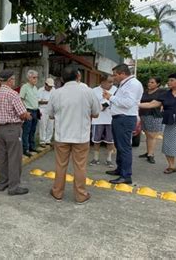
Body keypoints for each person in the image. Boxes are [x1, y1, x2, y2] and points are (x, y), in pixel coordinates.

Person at [47, 65, 100, 204]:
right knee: (80, 166)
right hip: (81, 136)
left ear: (62, 79)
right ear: (78, 76)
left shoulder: (56, 93)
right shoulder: (88, 91)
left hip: (62, 136)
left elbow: (51, 115)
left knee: (60, 165)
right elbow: (96, 113)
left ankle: (57, 193)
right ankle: (81, 195)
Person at [0, 70, 32, 195]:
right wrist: (27, 115)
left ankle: (2, 183)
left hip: (0, 129)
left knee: (2, 158)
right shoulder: (13, 94)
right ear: (9, 80)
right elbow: (22, 113)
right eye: (13, 79)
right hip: (12, 128)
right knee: (14, 158)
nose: (14, 82)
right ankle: (14, 187)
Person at [102, 64, 143, 184]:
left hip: (124, 118)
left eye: (115, 75)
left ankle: (126, 175)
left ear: (122, 73)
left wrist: (111, 97)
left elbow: (128, 103)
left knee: (124, 148)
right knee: (120, 146)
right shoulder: (125, 84)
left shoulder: (133, 84)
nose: (114, 78)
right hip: (119, 118)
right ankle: (120, 169)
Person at [90, 74, 117, 168]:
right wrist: (101, 106)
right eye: (109, 82)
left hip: (111, 119)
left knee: (110, 140)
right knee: (96, 140)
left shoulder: (115, 90)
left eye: (112, 82)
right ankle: (95, 158)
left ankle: (109, 159)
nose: (111, 84)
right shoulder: (94, 91)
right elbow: (91, 104)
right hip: (98, 119)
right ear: (102, 82)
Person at [138, 77, 166, 164]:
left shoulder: (161, 92)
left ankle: (151, 154)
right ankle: (148, 152)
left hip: (155, 115)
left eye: (152, 82)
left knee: (152, 136)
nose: (149, 84)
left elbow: (164, 101)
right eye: (149, 82)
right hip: (144, 114)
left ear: (157, 84)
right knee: (147, 134)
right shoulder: (145, 92)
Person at [20, 70, 40, 157]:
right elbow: (20, 99)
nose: (36, 79)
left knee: (33, 130)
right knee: (26, 130)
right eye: (34, 77)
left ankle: (32, 146)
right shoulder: (25, 87)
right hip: (28, 110)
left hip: (35, 110)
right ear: (29, 78)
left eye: (36, 77)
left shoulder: (35, 88)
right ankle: (25, 149)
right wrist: (24, 111)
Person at [37, 78, 55, 147]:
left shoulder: (53, 90)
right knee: (43, 125)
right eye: (49, 86)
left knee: (50, 125)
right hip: (43, 109)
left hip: (51, 109)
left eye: (51, 86)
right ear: (45, 85)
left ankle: (48, 140)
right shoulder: (40, 90)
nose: (50, 88)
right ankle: (42, 141)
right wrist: (47, 102)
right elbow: (38, 101)